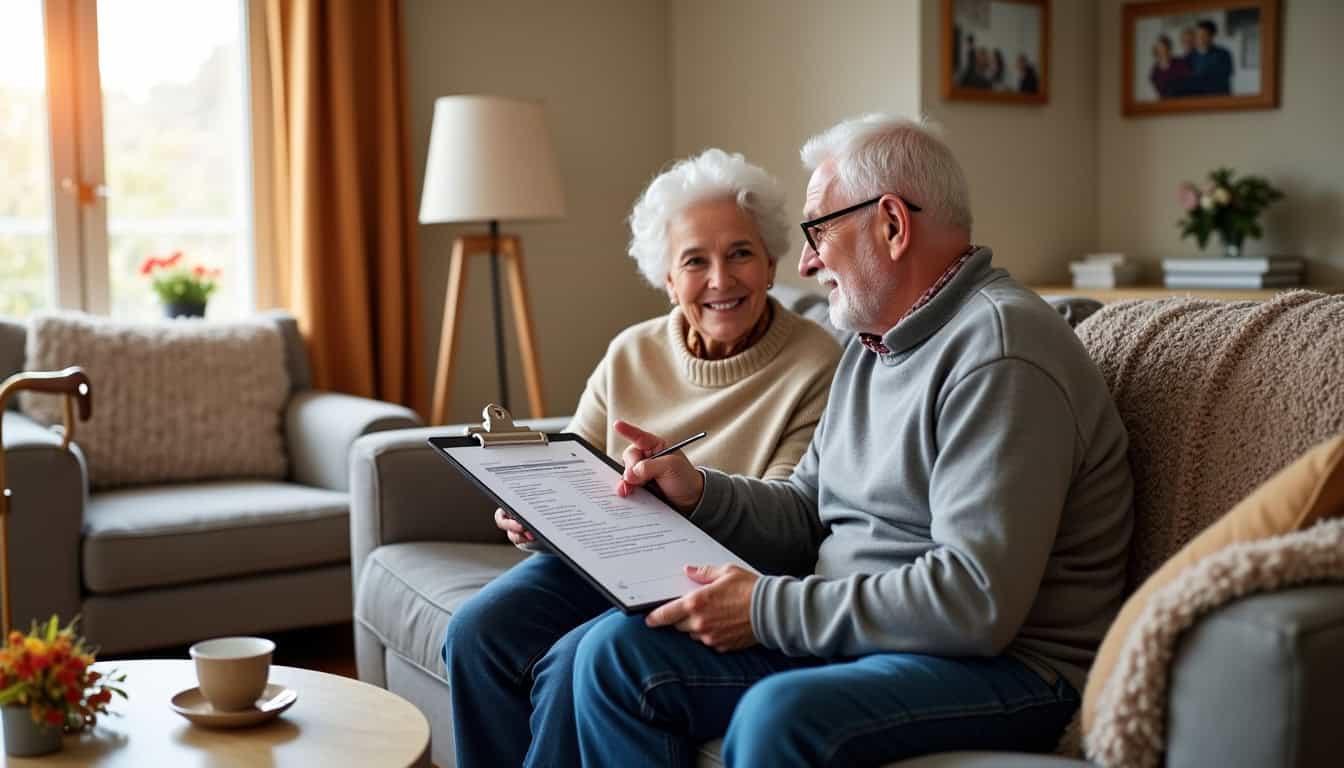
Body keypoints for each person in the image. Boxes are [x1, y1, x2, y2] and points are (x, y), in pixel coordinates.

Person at [563, 115, 1135, 766]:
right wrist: (696, 492)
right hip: (874, 640)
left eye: (819, 231)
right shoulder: (875, 343)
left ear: (891, 224)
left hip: (1009, 667)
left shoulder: (1000, 352)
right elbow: (807, 508)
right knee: (616, 655)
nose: (807, 261)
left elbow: (974, 600)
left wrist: (766, 608)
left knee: (780, 717)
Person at [442, 148, 842, 767]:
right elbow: (566, 464)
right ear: (667, 279)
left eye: (740, 253)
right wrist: (531, 517)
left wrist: (695, 490)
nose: (720, 280)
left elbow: (791, 527)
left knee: (572, 662)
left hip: (719, 577)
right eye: (694, 261)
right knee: (478, 631)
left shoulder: (819, 363)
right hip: (611, 560)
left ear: (770, 262)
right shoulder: (631, 351)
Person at [1185, 19, 1233, 95]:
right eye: (1197, 34)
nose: (1199, 38)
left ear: (1212, 36)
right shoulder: (1189, 57)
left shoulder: (1223, 54)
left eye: (1203, 35)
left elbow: (1222, 79)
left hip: (1219, 97)